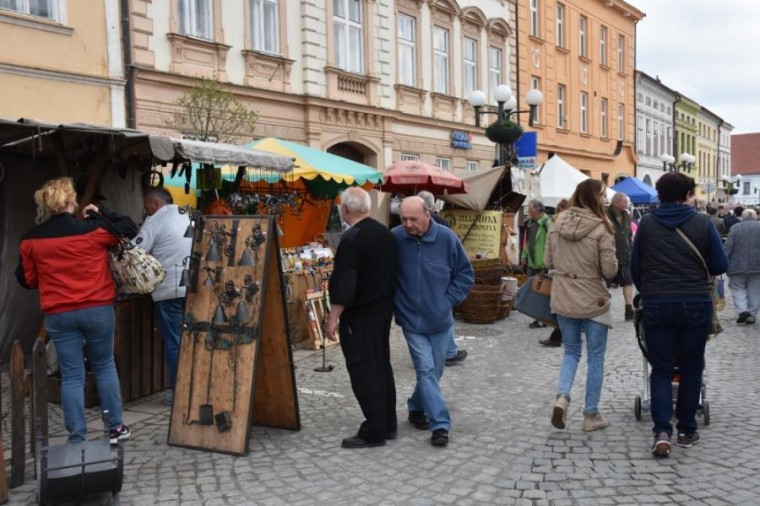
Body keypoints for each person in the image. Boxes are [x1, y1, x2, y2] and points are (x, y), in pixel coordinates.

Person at [15, 177, 137, 444]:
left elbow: (27, 280)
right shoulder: (92, 230)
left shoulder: (30, 240)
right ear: (73, 201)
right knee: (104, 365)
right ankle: (115, 428)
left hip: (59, 313)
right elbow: (129, 228)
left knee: (71, 374)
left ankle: (77, 435)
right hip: (97, 308)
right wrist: (101, 212)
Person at [631, 172, 728, 458]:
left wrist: (650, 290)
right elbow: (720, 263)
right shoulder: (702, 221)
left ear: (659, 195)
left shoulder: (646, 224)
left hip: (658, 302)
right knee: (691, 368)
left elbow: (636, 269)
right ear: (688, 194)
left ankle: (662, 431)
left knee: (661, 369)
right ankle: (686, 429)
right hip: (695, 302)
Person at [393, 196, 474, 447]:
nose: (408, 224)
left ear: (428, 214)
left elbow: (465, 274)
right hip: (411, 320)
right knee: (426, 369)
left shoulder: (447, 239)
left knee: (434, 372)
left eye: (413, 219)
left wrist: (447, 300)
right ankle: (440, 424)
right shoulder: (395, 238)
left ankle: (416, 406)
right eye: (403, 219)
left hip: (440, 320)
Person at [325, 187, 398, 449]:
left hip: (361, 315)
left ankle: (374, 430)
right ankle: (388, 424)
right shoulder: (384, 233)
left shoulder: (353, 238)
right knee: (381, 367)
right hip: (381, 312)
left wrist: (333, 318)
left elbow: (346, 282)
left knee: (365, 371)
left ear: (345, 209)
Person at [545, 180, 617, 433]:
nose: (606, 200)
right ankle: (590, 414)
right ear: (596, 198)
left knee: (571, 352)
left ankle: (563, 397)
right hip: (592, 298)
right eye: (604, 195)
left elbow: (547, 261)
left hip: (563, 296)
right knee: (595, 358)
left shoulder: (557, 222)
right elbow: (609, 270)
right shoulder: (601, 228)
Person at [132, 188, 192, 405]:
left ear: (155, 203)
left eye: (146, 207)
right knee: (193, 339)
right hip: (194, 287)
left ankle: (179, 393)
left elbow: (133, 253)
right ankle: (195, 386)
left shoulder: (155, 221)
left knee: (175, 342)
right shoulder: (187, 214)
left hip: (169, 290)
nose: (146, 211)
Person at [417, 190, 467, 366]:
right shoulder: (443, 224)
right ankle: (449, 352)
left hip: (425, 284)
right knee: (444, 317)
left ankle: (438, 352)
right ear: (431, 205)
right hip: (441, 282)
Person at [539, 198, 569, 347]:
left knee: (562, 308)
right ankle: (558, 336)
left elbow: (548, 258)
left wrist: (549, 265)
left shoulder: (554, 225)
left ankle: (557, 337)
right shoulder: (587, 224)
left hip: (561, 274)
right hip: (580, 276)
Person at [724, 208, 760, 324]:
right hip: (757, 265)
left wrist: (723, 260)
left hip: (737, 265)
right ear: (756, 216)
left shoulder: (735, 228)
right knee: (755, 290)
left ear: (742, 217)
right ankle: (752, 314)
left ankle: (743, 310)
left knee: (737, 287)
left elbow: (728, 247)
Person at [521, 199, 551, 329]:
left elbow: (552, 243)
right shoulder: (531, 223)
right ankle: (537, 318)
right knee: (533, 291)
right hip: (532, 263)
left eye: (530, 209)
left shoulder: (547, 223)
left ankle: (543, 318)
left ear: (538, 210)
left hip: (542, 263)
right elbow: (529, 241)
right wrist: (524, 255)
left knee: (543, 292)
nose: (528, 211)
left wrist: (549, 261)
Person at [607, 192, 635, 320]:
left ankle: (629, 309)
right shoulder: (605, 214)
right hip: (609, 256)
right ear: (616, 203)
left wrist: (630, 247)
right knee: (604, 285)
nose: (626, 204)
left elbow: (628, 234)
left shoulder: (626, 215)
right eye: (624, 202)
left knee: (628, 282)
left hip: (625, 255)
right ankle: (602, 311)